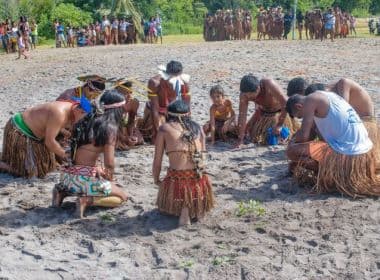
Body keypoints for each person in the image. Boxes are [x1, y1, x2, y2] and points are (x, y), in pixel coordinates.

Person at [286, 92, 380, 197]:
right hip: (364, 152)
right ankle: (330, 171)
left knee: (291, 151)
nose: (303, 118)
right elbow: (316, 137)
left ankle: (328, 174)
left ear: (298, 106)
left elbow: (304, 136)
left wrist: (292, 142)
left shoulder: (310, 100)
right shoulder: (327, 95)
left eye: (300, 116)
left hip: (349, 152)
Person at [53, 90, 128, 218]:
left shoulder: (87, 120)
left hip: (66, 179)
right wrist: (109, 179)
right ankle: (87, 200)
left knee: (99, 183)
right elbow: (109, 164)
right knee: (121, 197)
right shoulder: (109, 128)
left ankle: (62, 193)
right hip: (83, 182)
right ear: (118, 110)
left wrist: (97, 169)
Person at [153, 100, 214, 226]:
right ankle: (195, 206)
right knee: (192, 173)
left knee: (179, 174)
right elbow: (202, 156)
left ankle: (184, 212)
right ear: (188, 114)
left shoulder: (164, 129)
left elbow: (157, 161)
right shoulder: (198, 128)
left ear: (169, 114)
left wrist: (156, 179)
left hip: (178, 179)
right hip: (199, 179)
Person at [0, 96, 90, 178]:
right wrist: (66, 156)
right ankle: (2, 165)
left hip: (35, 132)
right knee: (32, 172)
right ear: (79, 111)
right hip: (20, 130)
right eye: (84, 118)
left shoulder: (72, 106)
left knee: (50, 165)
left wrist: (66, 133)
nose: (83, 121)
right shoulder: (60, 113)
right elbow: (49, 141)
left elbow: (54, 124)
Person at [236, 74, 297, 147]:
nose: (249, 97)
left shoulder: (269, 84)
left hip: (280, 113)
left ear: (258, 88)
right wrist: (240, 140)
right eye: (247, 95)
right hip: (262, 114)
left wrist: (279, 125)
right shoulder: (244, 95)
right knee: (248, 133)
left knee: (273, 138)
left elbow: (286, 103)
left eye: (252, 95)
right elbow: (242, 115)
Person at [137, 61, 191, 143]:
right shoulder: (155, 82)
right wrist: (157, 133)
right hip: (158, 110)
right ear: (167, 73)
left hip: (173, 111)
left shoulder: (184, 81)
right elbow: (154, 108)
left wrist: (187, 125)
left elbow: (186, 107)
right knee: (161, 133)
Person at [113, 80, 144, 149]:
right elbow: (111, 124)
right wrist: (124, 138)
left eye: (130, 92)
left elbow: (131, 121)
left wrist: (130, 135)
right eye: (126, 93)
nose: (129, 95)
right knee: (119, 144)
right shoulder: (113, 102)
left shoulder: (134, 102)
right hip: (112, 128)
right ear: (117, 92)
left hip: (123, 127)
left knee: (139, 140)